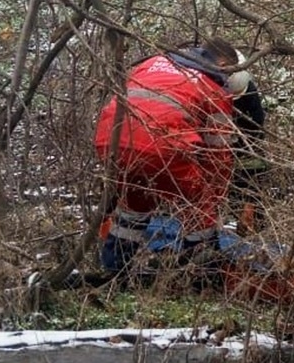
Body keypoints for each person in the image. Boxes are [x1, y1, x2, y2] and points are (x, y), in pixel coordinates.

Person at [93, 36, 265, 274]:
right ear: (225, 67)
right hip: (162, 148)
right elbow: (218, 157)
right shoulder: (212, 88)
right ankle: (200, 267)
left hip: (109, 141)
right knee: (202, 196)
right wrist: (217, 193)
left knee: (136, 197)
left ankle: (115, 267)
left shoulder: (153, 62)